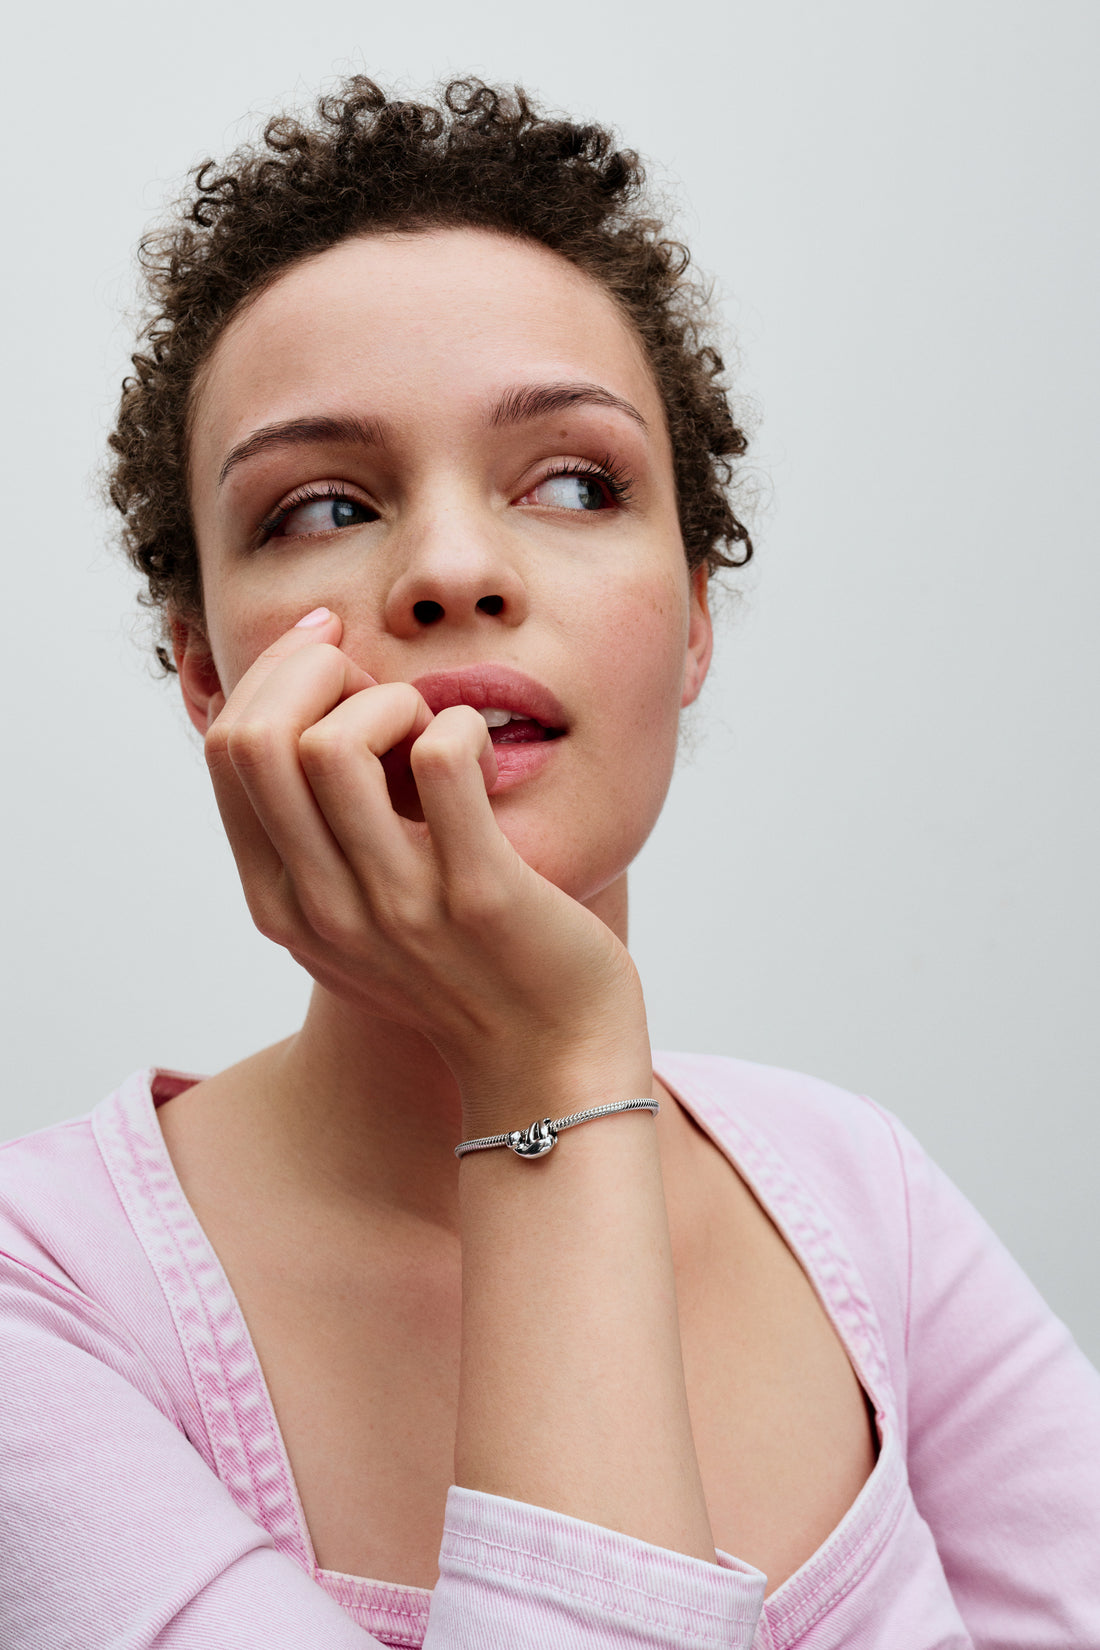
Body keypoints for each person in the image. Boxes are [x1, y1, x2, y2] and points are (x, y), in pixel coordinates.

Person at [1, 76, 1097, 1650]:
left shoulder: (867, 1195)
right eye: (323, 506)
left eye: (577, 483)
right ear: (204, 673)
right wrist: (547, 1063)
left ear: (696, 617)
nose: (453, 570)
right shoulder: (41, 1294)